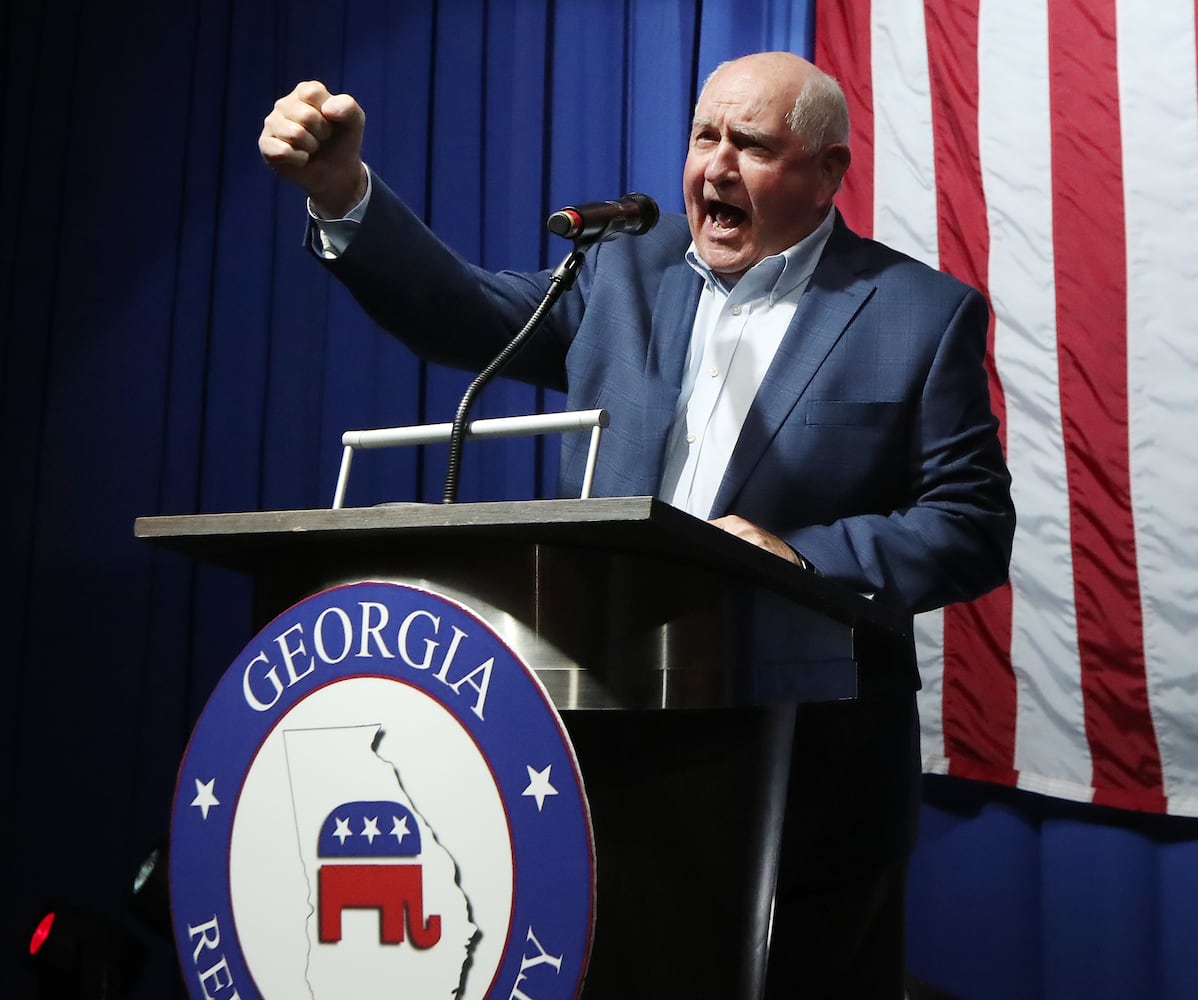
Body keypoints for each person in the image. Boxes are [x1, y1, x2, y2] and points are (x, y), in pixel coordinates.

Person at [260, 51, 1014, 998]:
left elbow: (970, 525)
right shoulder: (621, 272)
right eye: (705, 137)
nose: (716, 167)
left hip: (812, 755)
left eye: (752, 145)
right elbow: (462, 312)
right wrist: (342, 192)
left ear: (828, 173)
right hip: (606, 730)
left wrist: (798, 557)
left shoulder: (919, 314)